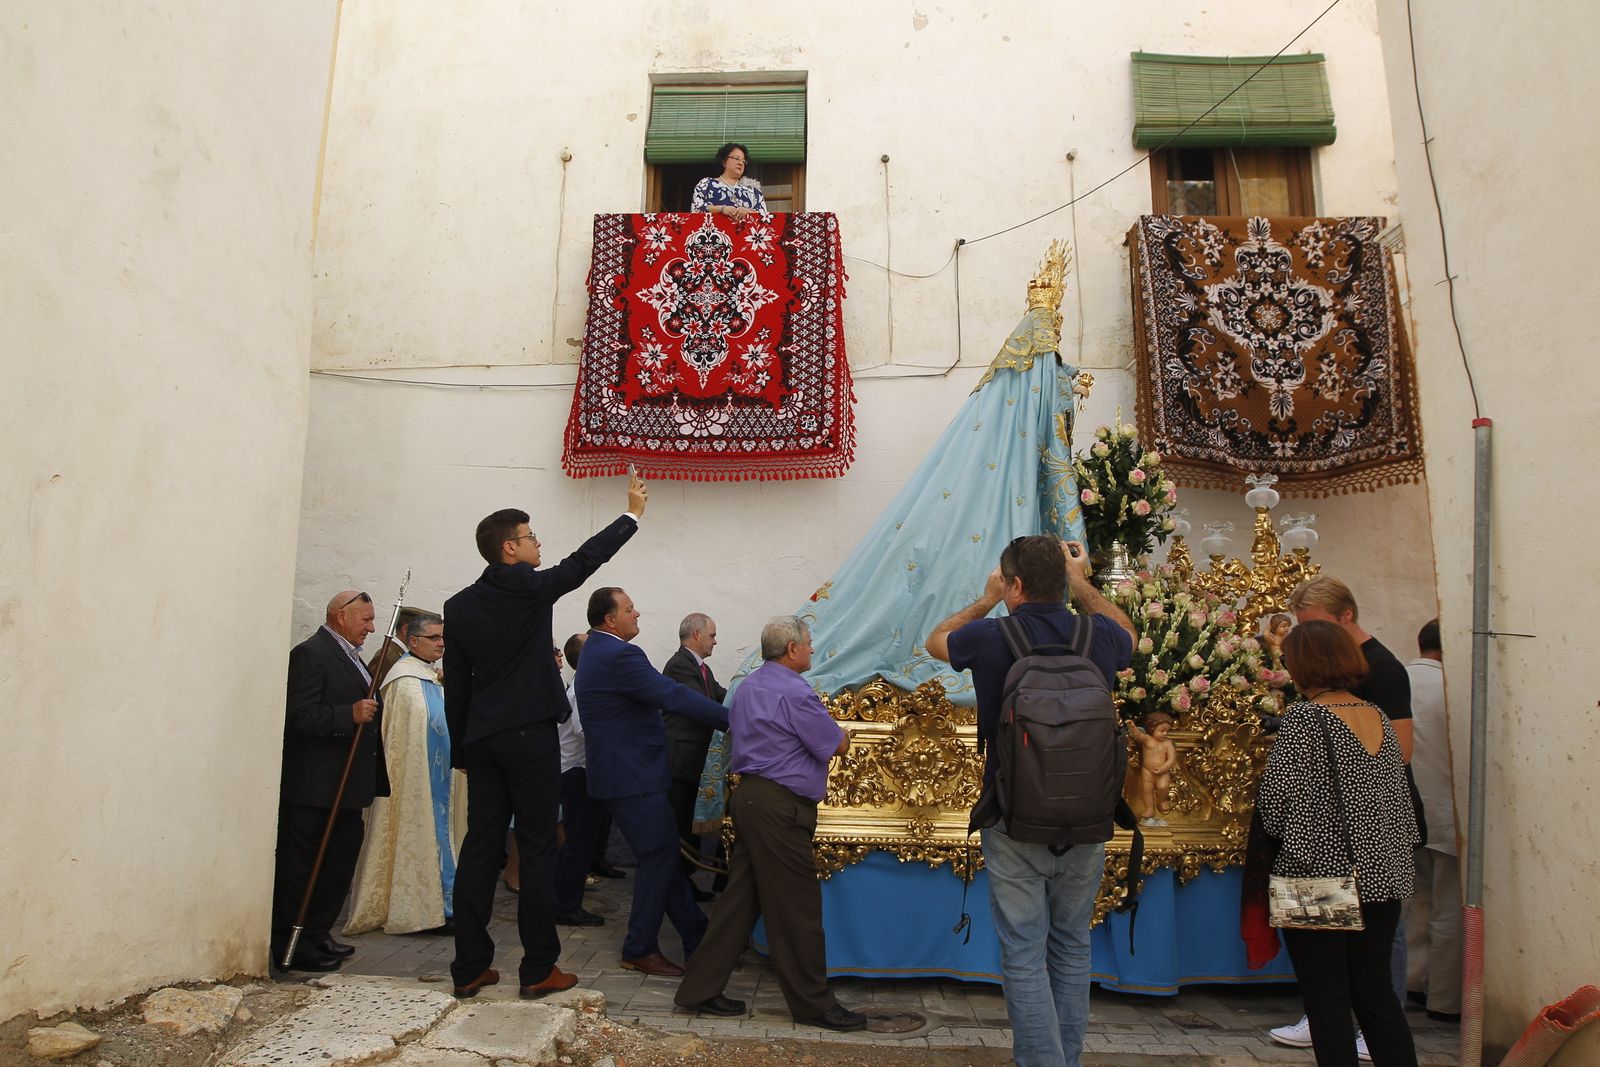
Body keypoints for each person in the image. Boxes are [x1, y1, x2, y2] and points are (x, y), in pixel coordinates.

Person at [926, 536, 1134, 1067]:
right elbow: (1134, 634)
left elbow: (936, 640)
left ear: (1015, 583)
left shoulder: (995, 636)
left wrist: (988, 598)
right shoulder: (1097, 635)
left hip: (1013, 815)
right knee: (1071, 945)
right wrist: (1082, 581)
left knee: (1023, 951)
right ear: (1060, 580)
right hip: (1088, 818)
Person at [443, 474, 647, 1001]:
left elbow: (459, 685)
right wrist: (631, 517)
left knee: (480, 848)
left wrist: (463, 749)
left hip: (483, 739)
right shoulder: (530, 588)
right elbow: (585, 562)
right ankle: (537, 970)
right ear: (510, 548)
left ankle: (468, 967)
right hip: (530, 736)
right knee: (536, 849)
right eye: (531, 537)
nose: (539, 545)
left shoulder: (458, 606)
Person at [675, 616, 866, 1032]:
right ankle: (813, 1003)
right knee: (798, 907)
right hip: (780, 806)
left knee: (741, 901)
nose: (813, 650)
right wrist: (844, 734)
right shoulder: (795, 692)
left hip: (751, 798)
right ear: (792, 649)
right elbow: (833, 742)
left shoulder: (748, 688)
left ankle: (699, 989)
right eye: (810, 643)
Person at [1258, 621, 1419, 1067]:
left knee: (1326, 999)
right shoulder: (1378, 716)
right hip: (1383, 878)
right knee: (1375, 994)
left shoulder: (1304, 720)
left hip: (1318, 876)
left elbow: (1275, 804)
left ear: (1304, 664)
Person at [574, 587, 730, 977]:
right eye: (629, 610)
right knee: (659, 855)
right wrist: (734, 720)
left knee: (660, 856)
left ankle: (696, 932)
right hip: (633, 776)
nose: (637, 614)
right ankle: (640, 946)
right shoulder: (620, 654)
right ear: (611, 619)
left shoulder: (595, 648)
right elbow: (671, 694)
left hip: (620, 773)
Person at [272, 590, 391, 972]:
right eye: (366, 620)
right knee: (304, 869)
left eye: (373, 621)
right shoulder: (311, 653)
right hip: (316, 788)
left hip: (346, 787)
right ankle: (294, 940)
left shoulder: (349, 656)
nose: (371, 628)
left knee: (337, 867)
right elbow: (298, 715)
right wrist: (348, 714)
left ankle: (319, 932)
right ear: (342, 615)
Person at [344, 612, 465, 936]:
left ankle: (445, 904)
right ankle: (418, 908)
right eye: (434, 638)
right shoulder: (404, 682)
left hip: (439, 781)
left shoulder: (430, 676)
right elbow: (399, 741)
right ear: (413, 641)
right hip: (414, 784)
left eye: (443, 638)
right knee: (417, 837)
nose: (441, 644)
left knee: (443, 838)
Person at [1404, 619, 1460, 1020]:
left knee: (1414, 902)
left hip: (1407, 810)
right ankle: (1443, 999)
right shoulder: (1455, 688)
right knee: (1449, 907)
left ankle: (1410, 981)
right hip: (1446, 812)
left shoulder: (1397, 679)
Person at [661, 612, 727, 896]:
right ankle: (676, 885)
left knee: (688, 824)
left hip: (694, 762)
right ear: (697, 635)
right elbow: (699, 705)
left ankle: (683, 883)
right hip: (680, 761)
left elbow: (722, 695)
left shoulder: (702, 668)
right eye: (712, 635)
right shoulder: (680, 666)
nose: (715, 641)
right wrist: (735, 720)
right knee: (677, 826)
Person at [553, 631, 606, 926]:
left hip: (579, 770)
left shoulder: (585, 684)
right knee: (578, 841)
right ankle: (565, 906)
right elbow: (584, 730)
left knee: (580, 840)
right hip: (576, 772)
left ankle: (563, 900)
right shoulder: (582, 687)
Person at [690, 142, 767, 221]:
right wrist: (722, 209)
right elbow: (696, 209)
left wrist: (748, 212)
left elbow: (764, 217)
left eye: (743, 161)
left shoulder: (753, 191)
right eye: (736, 158)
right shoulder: (706, 184)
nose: (740, 163)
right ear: (724, 162)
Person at [1131, 711, 1177, 827]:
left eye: (1167, 731)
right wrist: (1132, 727)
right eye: (1162, 730)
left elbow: (1171, 759)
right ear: (1152, 728)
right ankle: (1150, 809)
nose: (1165, 734)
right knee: (1147, 791)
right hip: (1147, 771)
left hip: (1162, 772)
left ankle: (1161, 800)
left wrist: (1163, 768)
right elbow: (1138, 735)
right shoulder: (1147, 740)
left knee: (1162, 787)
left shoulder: (1168, 744)